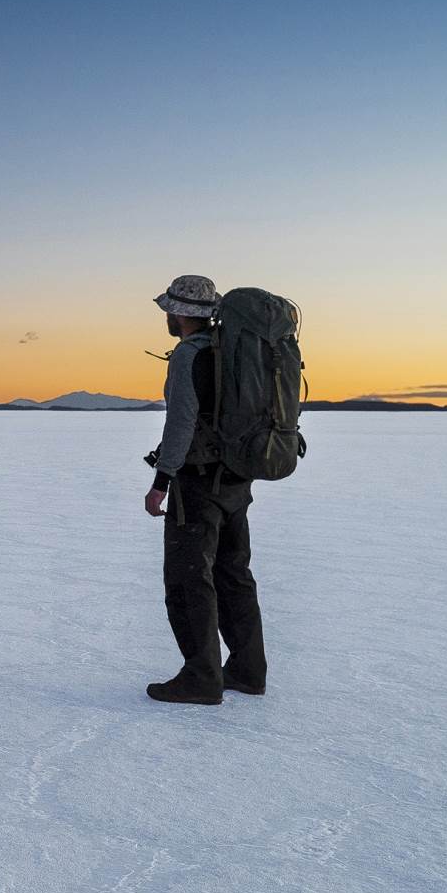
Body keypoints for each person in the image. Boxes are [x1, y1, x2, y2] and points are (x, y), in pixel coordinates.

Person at [142, 275, 268, 705]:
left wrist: (161, 481)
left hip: (197, 481)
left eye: (168, 311)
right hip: (236, 476)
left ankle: (201, 677)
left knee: (187, 580)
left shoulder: (188, 356)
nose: (166, 317)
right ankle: (249, 671)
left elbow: (180, 424)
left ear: (180, 314)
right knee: (234, 574)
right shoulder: (233, 351)